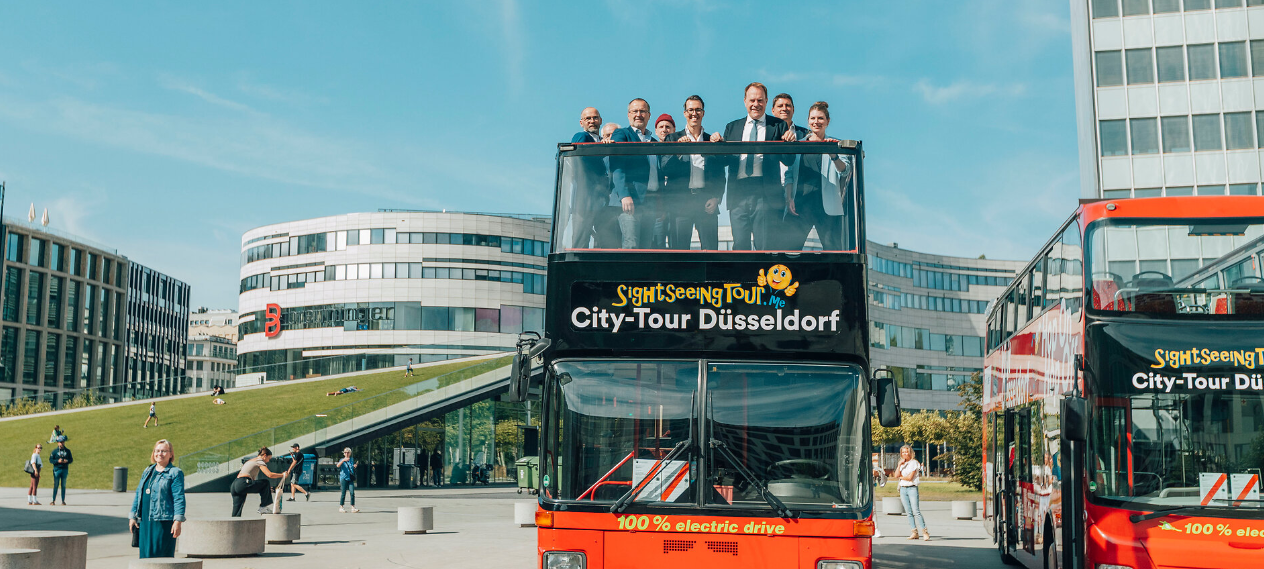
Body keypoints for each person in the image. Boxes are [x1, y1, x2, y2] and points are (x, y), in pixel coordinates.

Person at [711, 82, 791, 250]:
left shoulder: (778, 125)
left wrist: (790, 141)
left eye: (760, 100)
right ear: (745, 101)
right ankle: (741, 277)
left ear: (766, 101)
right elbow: (722, 161)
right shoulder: (732, 127)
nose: (756, 104)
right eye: (752, 100)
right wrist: (717, 145)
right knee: (740, 245)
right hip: (738, 192)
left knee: (763, 245)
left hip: (764, 192)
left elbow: (788, 160)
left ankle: (761, 277)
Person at [787, 101, 854, 251]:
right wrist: (789, 197)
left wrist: (834, 155)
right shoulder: (799, 145)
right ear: (808, 121)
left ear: (827, 121)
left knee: (833, 249)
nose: (816, 122)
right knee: (792, 250)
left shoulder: (835, 144)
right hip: (801, 205)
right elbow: (789, 174)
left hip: (826, 207)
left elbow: (845, 171)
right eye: (813, 118)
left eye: (820, 118)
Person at [662, 95, 724, 250]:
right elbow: (664, 168)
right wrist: (678, 151)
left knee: (710, 251)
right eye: (690, 110)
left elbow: (720, 174)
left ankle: (709, 276)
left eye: (698, 110)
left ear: (703, 113)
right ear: (684, 113)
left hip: (706, 201)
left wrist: (717, 197)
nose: (694, 113)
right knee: (679, 251)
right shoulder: (673, 138)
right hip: (680, 202)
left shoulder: (711, 140)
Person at [599, 98, 660, 249]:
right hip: (630, 201)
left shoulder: (653, 141)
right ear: (628, 115)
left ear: (649, 115)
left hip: (651, 202)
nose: (639, 114)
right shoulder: (622, 134)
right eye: (635, 111)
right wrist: (624, 194)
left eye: (642, 111)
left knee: (647, 248)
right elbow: (617, 165)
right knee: (631, 246)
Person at [129, 440, 185, 559]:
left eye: (164, 451)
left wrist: (178, 521)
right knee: (145, 555)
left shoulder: (175, 473)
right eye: (157, 451)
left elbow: (179, 498)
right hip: (145, 520)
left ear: (171, 454)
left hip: (163, 521)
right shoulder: (148, 470)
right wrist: (132, 516)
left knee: (161, 555)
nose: (160, 454)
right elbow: (139, 493)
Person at [569, 107, 610, 249]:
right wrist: (602, 150)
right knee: (580, 240)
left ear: (600, 121)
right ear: (582, 123)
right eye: (588, 119)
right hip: (585, 200)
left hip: (601, 201)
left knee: (605, 241)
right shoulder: (582, 136)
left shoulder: (601, 141)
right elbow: (580, 156)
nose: (592, 121)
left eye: (595, 118)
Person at [230, 447, 287, 517]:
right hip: (243, 482)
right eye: (268, 458)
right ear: (264, 455)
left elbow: (253, 483)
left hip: (235, 484)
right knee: (266, 482)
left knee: (237, 508)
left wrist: (266, 491)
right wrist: (282, 475)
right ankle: (263, 507)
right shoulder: (259, 461)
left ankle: (234, 525)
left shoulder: (251, 461)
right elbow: (269, 475)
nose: (268, 461)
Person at [896, 444, 930, 541]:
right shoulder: (902, 464)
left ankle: (925, 531)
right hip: (903, 488)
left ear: (910, 452)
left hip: (912, 488)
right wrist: (899, 465)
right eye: (903, 452)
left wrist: (901, 477)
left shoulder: (914, 463)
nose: (905, 454)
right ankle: (914, 532)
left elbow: (910, 478)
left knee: (916, 511)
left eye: (906, 451)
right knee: (908, 512)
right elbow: (896, 475)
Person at [49, 439, 73, 506]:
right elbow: (51, 460)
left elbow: (71, 460)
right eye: (60, 442)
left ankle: (63, 501)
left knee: (63, 485)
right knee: (56, 485)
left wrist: (66, 461)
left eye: (62, 442)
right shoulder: (54, 451)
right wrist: (57, 461)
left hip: (64, 469)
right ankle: (53, 500)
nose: (61, 444)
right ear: (58, 443)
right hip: (57, 469)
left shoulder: (68, 451)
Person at [337, 447, 360, 513]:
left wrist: (354, 466)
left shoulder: (351, 460)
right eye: (345, 452)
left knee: (352, 492)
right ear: (343, 453)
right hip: (344, 478)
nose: (346, 454)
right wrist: (343, 461)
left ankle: (353, 507)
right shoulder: (342, 460)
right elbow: (338, 465)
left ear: (350, 453)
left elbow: (351, 467)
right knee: (343, 493)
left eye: (348, 452)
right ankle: (341, 506)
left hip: (350, 478)